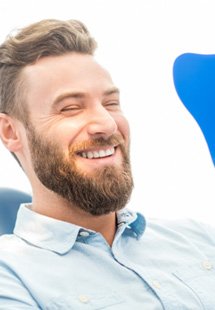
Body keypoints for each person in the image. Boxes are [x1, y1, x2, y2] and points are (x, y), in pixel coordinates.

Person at [0, 19, 214, 310]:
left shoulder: (200, 238)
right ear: (10, 132)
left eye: (111, 103)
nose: (106, 122)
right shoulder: (10, 277)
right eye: (70, 108)